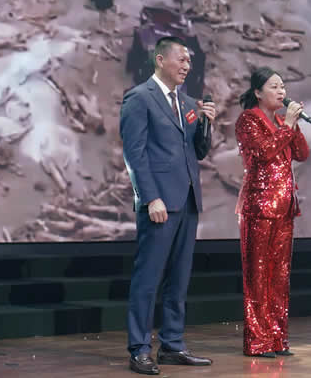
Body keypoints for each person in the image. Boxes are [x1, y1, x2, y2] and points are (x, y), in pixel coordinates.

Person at [120, 36, 216, 375]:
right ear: (160, 60)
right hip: (159, 202)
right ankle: (139, 349)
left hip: (187, 200)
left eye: (189, 61)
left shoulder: (187, 102)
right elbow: (134, 153)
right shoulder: (139, 98)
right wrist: (150, 197)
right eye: (181, 59)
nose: (187, 66)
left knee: (179, 278)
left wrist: (205, 123)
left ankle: (172, 344)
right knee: (148, 278)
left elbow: (197, 151)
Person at [234, 67, 310, 357]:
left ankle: (278, 338)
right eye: (274, 87)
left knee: (280, 276)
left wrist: (293, 125)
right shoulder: (248, 120)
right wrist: (287, 126)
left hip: (285, 207)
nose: (281, 92)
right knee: (258, 275)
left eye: (283, 87)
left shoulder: (282, 121)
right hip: (259, 206)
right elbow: (263, 153)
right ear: (258, 92)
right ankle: (257, 341)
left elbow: (302, 153)